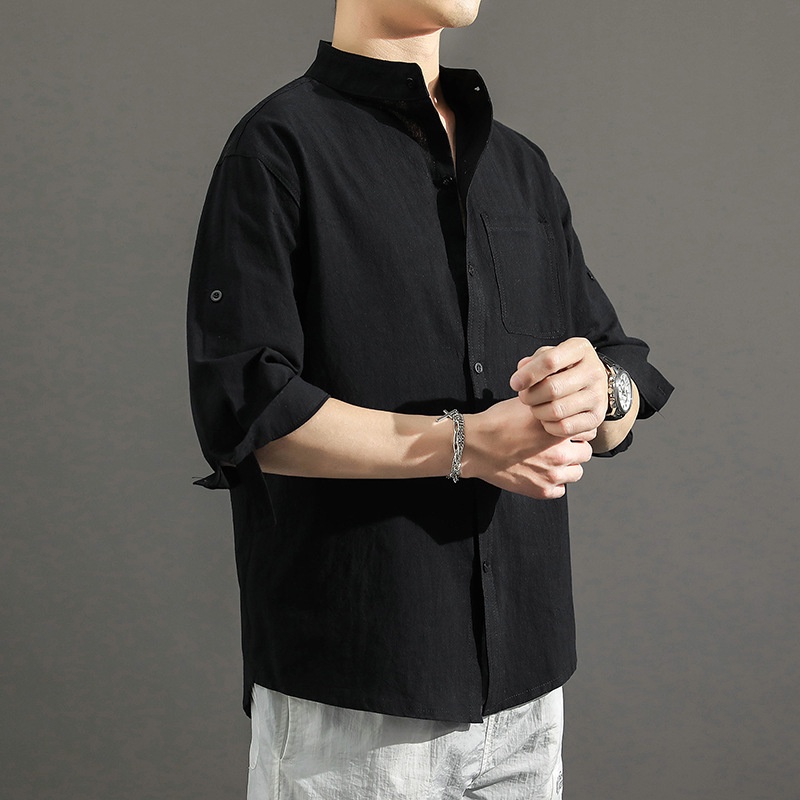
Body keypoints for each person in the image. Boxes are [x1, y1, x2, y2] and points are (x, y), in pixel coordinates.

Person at [186, 0, 673, 797]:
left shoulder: (520, 165)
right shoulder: (276, 147)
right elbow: (248, 407)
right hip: (358, 695)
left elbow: (619, 364)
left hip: (528, 696)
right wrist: (472, 444)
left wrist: (599, 394)